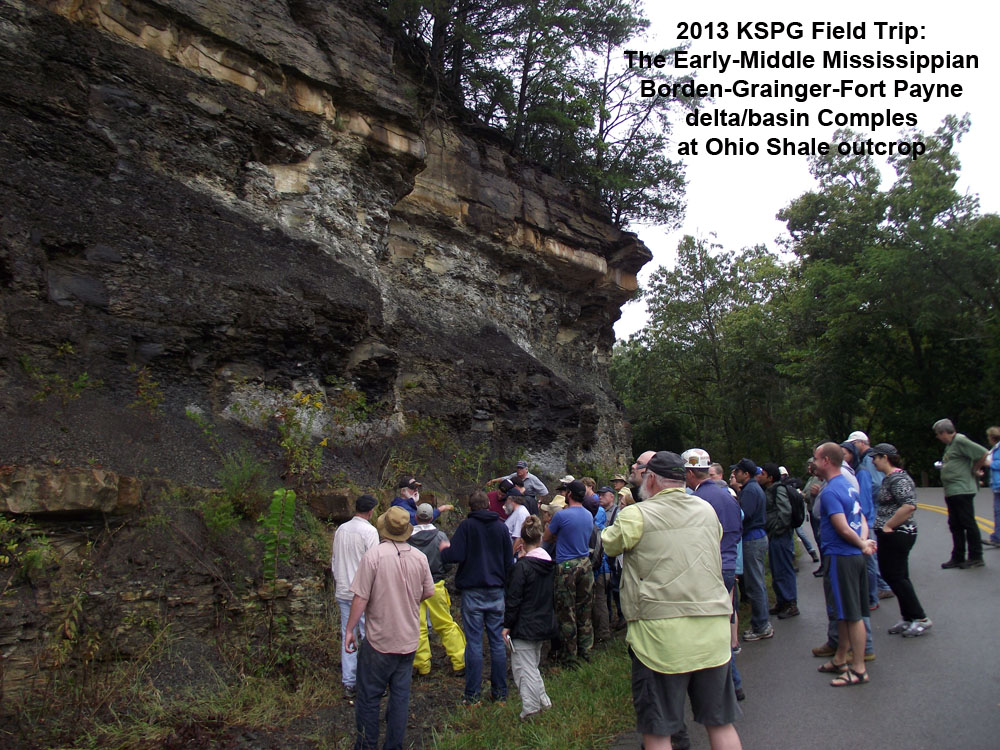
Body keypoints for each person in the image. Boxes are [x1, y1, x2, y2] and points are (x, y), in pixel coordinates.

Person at [603, 451, 742, 750]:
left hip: (659, 639)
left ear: (650, 479)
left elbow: (610, 545)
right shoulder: (707, 510)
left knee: (658, 730)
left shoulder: (636, 514)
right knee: (720, 723)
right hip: (712, 633)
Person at [343, 506, 435, 750]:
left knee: (369, 697)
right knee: (400, 698)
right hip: (407, 640)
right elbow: (428, 591)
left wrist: (350, 629)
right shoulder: (420, 557)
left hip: (379, 640)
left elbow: (360, 597)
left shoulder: (373, 556)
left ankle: (366, 745)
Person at [812, 442, 877, 687]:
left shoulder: (829, 493)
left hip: (842, 557)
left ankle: (858, 668)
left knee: (853, 615)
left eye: (816, 459)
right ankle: (840, 658)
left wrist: (860, 544)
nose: (814, 464)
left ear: (826, 460)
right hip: (855, 556)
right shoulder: (847, 487)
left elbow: (841, 526)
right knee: (843, 612)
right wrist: (863, 541)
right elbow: (860, 517)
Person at [440, 490, 514, 704]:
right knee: (497, 642)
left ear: (471, 508)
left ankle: (472, 696)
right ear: (489, 506)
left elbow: (455, 556)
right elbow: (508, 562)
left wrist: (445, 549)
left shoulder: (467, 527)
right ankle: (500, 693)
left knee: (473, 643)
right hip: (496, 590)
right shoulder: (501, 528)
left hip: (473, 591)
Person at [683, 448, 745, 702]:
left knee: (710, 627)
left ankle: (727, 684)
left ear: (689, 473)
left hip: (711, 567)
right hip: (729, 564)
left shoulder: (697, 501)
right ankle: (731, 683)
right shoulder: (727, 495)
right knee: (722, 621)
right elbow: (739, 525)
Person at [870, 445, 932, 637]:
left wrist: (889, 525)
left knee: (896, 576)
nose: (873, 461)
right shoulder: (889, 478)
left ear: (885, 457)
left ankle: (921, 618)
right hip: (890, 534)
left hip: (898, 533)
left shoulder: (899, 478)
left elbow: (909, 505)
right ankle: (908, 617)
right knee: (895, 576)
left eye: (876, 457)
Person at [502, 515, 558, 721]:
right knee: (531, 666)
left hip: (525, 624)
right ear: (541, 539)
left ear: (522, 542)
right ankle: (544, 701)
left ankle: (531, 710)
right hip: (543, 621)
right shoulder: (549, 565)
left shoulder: (522, 568)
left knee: (523, 669)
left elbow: (514, 598)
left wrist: (507, 625)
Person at [408, 503, 466, 676]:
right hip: (436, 584)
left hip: (414, 586)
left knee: (417, 626)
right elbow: (448, 561)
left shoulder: (408, 538)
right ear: (431, 518)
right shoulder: (440, 536)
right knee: (445, 623)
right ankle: (460, 662)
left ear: (416, 517)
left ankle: (422, 665)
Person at [332, 494, 379, 700]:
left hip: (343, 588)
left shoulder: (341, 530)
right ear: (370, 512)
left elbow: (334, 559)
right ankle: (369, 679)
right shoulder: (370, 531)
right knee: (368, 635)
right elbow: (375, 563)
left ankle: (349, 681)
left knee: (347, 633)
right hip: (363, 592)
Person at [543, 479, 596, 665]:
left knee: (567, 612)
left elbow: (547, 537)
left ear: (570, 495)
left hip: (567, 566)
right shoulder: (589, 515)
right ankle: (586, 651)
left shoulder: (562, 516)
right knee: (585, 610)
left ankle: (570, 656)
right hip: (585, 564)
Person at [934, 419, 990, 569]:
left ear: (944, 432)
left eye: (938, 434)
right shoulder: (950, 445)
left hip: (962, 489)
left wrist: (975, 469)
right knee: (955, 524)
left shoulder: (960, 440)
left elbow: (982, 453)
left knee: (967, 522)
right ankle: (958, 556)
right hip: (952, 490)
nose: (937, 438)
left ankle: (976, 556)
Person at [731, 458, 771, 641]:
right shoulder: (752, 489)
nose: (734, 474)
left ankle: (762, 625)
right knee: (756, 582)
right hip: (756, 537)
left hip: (752, 539)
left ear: (746, 474)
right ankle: (760, 622)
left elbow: (743, 516)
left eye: (737, 471)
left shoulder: (750, 491)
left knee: (755, 583)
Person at [759, 463, 798, 618]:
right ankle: (782, 601)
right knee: (776, 568)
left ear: (770, 477)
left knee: (784, 569)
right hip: (775, 535)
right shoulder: (769, 490)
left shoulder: (778, 489)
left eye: (762, 474)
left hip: (780, 536)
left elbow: (785, 511)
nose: (759, 476)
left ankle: (791, 603)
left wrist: (777, 530)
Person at [591, 486, 617, 644]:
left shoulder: (599, 529)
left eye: (603, 495)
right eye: (598, 495)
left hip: (602, 567)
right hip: (605, 566)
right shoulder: (601, 521)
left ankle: (603, 633)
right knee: (602, 600)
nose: (600, 497)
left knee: (600, 600)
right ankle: (602, 630)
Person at [504, 489, 530, 556]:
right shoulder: (517, 512)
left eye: (506, 500)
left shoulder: (520, 513)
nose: (505, 503)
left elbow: (518, 538)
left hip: (515, 554)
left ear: (510, 500)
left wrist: (510, 557)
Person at [987, 426, 1000, 547]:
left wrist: (990, 463)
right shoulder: (995, 449)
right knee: (997, 511)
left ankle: (997, 537)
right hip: (997, 484)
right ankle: (997, 536)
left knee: (998, 511)